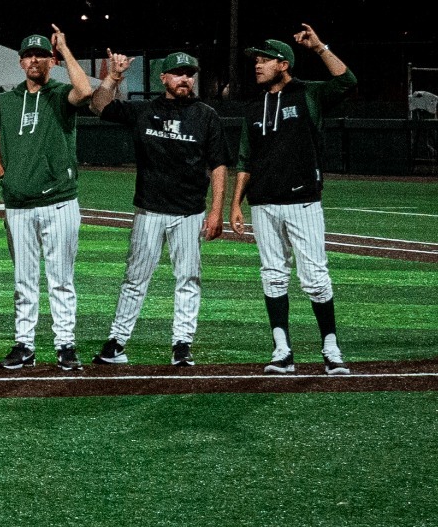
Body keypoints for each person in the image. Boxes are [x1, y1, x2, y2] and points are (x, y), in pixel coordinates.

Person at [87, 51, 232, 367]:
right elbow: (99, 106)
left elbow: (219, 164)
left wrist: (216, 210)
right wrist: (113, 76)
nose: (185, 79)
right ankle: (117, 342)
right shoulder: (145, 110)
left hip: (189, 212)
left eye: (189, 74)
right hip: (149, 211)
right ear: (163, 78)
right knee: (135, 278)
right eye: (178, 73)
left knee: (188, 279)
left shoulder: (206, 115)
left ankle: (182, 344)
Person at [228, 26, 357, 375]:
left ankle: (330, 347)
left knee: (314, 277)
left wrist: (319, 47)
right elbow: (245, 159)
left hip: (303, 202)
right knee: (273, 276)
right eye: (256, 60)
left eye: (265, 60)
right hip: (263, 203)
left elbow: (347, 81)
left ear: (283, 64)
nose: (257, 65)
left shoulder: (308, 94)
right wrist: (235, 204)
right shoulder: (254, 106)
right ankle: (282, 350)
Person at [0, 27, 93, 371]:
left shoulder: (61, 95)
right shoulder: (7, 100)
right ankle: (25, 345)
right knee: (24, 280)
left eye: (42, 55)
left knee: (61, 279)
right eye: (29, 55)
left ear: (52, 61)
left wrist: (65, 48)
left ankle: (65, 344)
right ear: (21, 62)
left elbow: (85, 91)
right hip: (18, 205)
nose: (34, 60)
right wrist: (7, 179)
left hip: (59, 201)